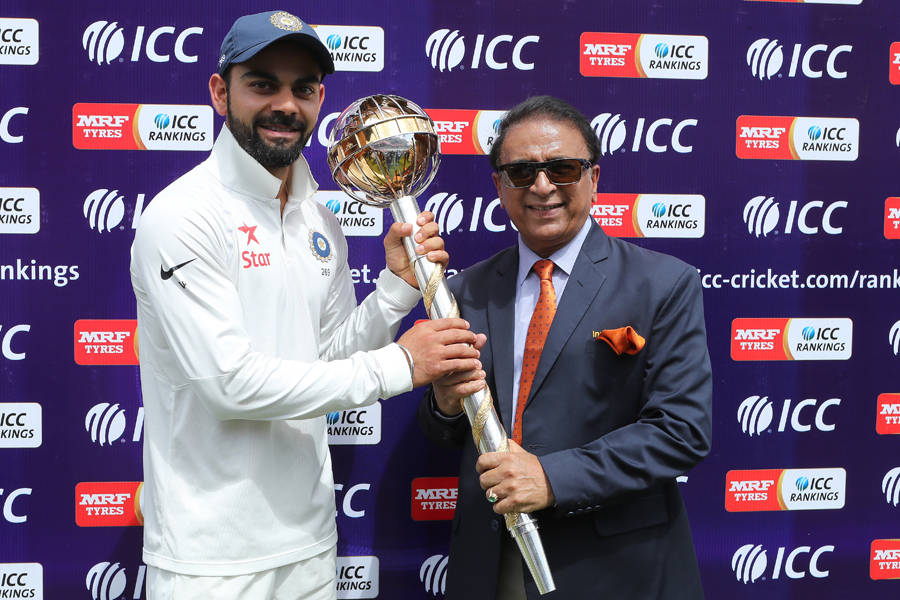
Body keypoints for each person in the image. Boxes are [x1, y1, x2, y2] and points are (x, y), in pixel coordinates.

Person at [130, 10, 480, 600]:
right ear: (221, 92)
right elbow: (230, 384)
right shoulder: (182, 214)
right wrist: (400, 365)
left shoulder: (319, 215)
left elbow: (324, 357)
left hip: (312, 542)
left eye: (304, 88)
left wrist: (394, 292)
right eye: (263, 83)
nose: (286, 104)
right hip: (212, 560)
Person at [418, 95, 712, 599]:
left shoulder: (663, 283)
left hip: (617, 570)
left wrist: (550, 478)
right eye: (521, 172)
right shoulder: (465, 290)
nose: (541, 186)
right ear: (499, 186)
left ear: (594, 178)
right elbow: (444, 430)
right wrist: (445, 405)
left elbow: (681, 431)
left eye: (563, 168)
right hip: (493, 565)